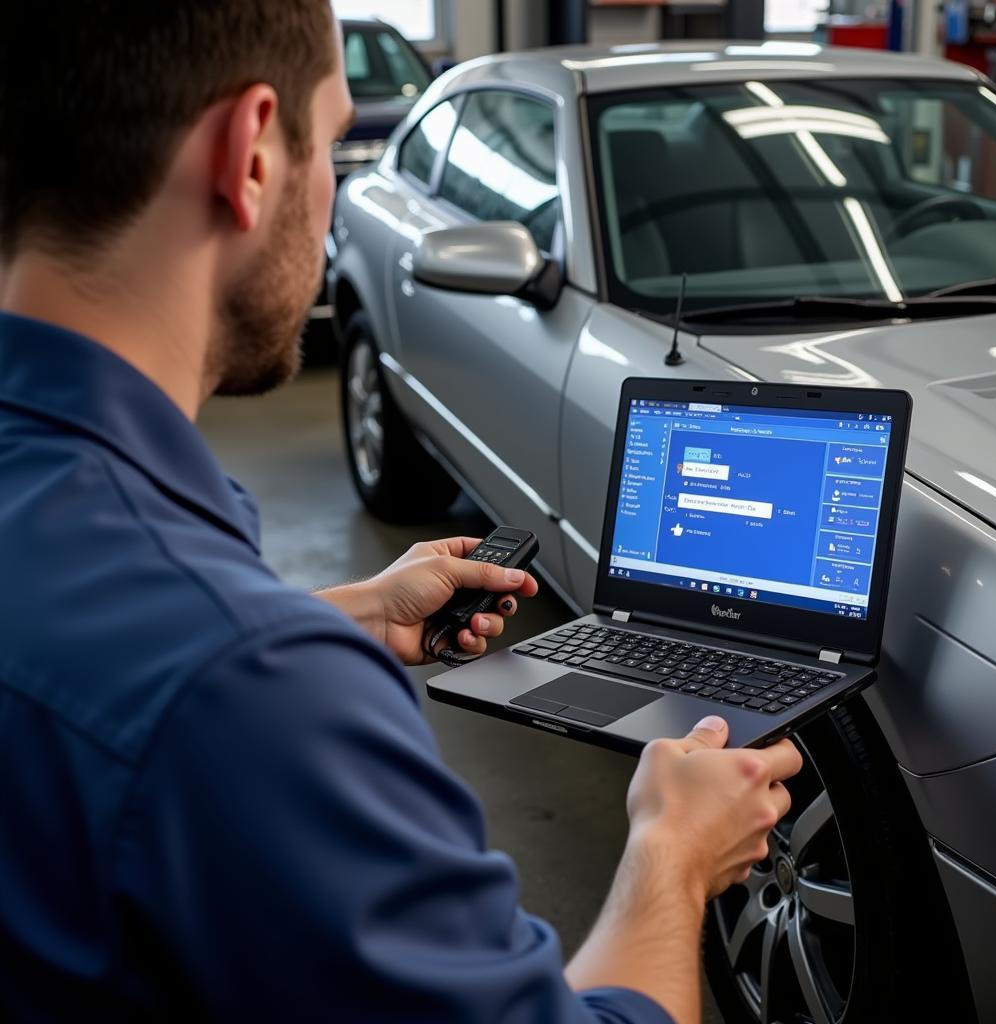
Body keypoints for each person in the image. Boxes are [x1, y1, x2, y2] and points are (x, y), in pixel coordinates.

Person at [0, 3, 802, 1021]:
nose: (334, 190)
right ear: (250, 153)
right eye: (332, 139)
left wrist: (338, 615)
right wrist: (672, 860)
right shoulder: (258, 697)